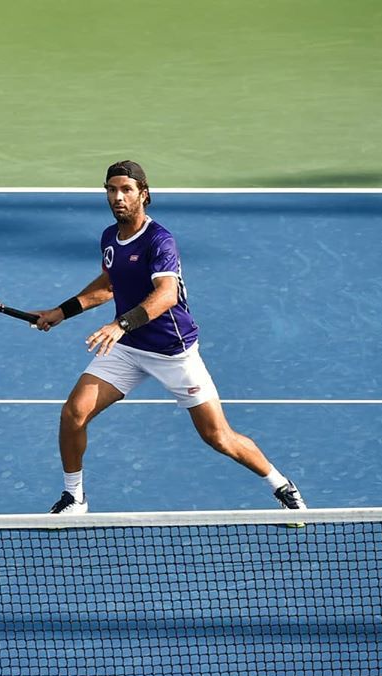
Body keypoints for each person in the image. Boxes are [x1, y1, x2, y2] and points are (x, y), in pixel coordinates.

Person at [34, 161, 307, 517]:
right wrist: (61, 311)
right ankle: (75, 498)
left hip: (172, 352)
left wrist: (119, 325)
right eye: (111, 189)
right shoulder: (109, 238)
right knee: (74, 413)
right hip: (130, 350)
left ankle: (281, 484)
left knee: (217, 437)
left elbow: (167, 295)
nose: (117, 196)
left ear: (143, 195)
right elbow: (107, 285)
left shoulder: (159, 240)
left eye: (126, 190)